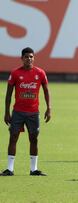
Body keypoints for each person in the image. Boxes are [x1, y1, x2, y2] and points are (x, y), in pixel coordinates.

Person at [1, 47, 51, 176]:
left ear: (33, 58)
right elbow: (8, 94)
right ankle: (9, 169)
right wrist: (7, 112)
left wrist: (49, 108)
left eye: (31, 57)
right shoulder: (15, 73)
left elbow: (46, 90)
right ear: (22, 58)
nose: (29, 59)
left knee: (34, 139)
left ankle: (33, 169)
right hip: (18, 112)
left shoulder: (40, 73)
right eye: (26, 57)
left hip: (34, 113)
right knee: (13, 137)